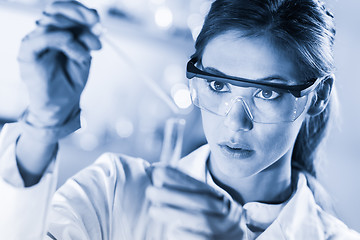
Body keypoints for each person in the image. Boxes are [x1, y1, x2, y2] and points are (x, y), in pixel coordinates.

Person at [0, 0, 359, 239]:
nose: (235, 122)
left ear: (318, 97)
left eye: (267, 93)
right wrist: (43, 125)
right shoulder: (113, 191)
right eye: (217, 84)